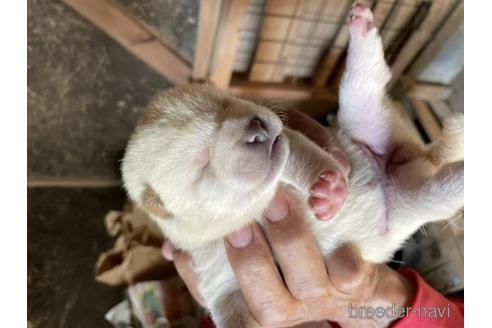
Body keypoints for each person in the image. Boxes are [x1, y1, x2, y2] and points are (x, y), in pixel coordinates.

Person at [162, 110, 464, 327]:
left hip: (359, 163)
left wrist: (224, 296)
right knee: (433, 196)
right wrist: (375, 303)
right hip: (382, 219)